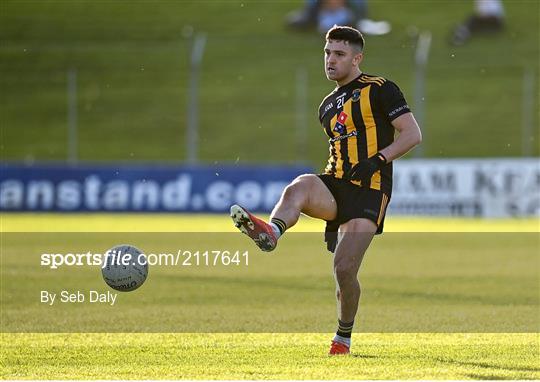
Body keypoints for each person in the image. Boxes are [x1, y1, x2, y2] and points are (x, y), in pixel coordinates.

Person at [230, 25, 421, 355]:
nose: (330, 60)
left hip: (370, 189)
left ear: (357, 58)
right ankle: (271, 232)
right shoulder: (327, 106)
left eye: (339, 54)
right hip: (337, 183)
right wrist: (331, 217)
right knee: (299, 186)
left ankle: (342, 338)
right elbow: (338, 152)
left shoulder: (380, 89)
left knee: (344, 269)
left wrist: (378, 159)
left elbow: (412, 133)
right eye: (327, 53)